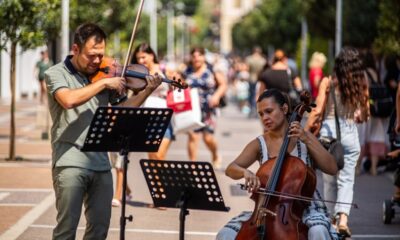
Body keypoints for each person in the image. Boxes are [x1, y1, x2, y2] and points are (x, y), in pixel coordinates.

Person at [45, 23, 162, 239]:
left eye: (101, 55)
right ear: (76, 49)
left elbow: (123, 110)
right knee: (66, 230)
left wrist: (147, 91)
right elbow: (68, 100)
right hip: (69, 160)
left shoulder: (105, 75)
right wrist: (104, 84)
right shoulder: (55, 73)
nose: (98, 61)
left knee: (99, 229)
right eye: (92, 55)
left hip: (100, 162)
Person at [216, 89, 339, 240]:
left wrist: (306, 138)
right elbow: (231, 168)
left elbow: (332, 168)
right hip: (266, 208)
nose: (265, 118)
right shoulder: (259, 143)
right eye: (261, 114)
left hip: (307, 208)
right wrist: (245, 172)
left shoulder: (305, 138)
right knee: (225, 235)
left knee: (318, 231)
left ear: (284, 109)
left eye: (269, 111)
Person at [306, 47, 369, 238]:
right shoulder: (361, 82)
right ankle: (343, 219)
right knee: (347, 180)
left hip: (329, 134)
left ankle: (330, 221)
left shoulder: (328, 82)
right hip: (350, 133)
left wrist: (305, 130)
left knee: (329, 180)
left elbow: (317, 111)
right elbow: (365, 114)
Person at [183, 47, 227, 169]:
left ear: (203, 57)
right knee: (193, 136)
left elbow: (223, 84)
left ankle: (215, 153)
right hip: (192, 109)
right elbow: (180, 85)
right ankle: (192, 165)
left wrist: (216, 96)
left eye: (199, 55)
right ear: (191, 58)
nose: (196, 58)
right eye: (194, 56)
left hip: (209, 109)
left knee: (208, 138)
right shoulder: (187, 71)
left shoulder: (211, 69)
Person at [132, 43, 175, 160]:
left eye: (143, 57)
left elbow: (178, 85)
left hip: (164, 117)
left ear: (151, 55)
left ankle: (167, 178)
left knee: (159, 156)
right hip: (146, 118)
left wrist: (175, 81)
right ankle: (157, 179)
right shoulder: (137, 73)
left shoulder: (164, 69)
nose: (141, 61)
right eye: (138, 58)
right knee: (152, 157)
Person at [357, 51, 390, 176]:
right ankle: (374, 168)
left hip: (368, 110)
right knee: (376, 138)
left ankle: (358, 167)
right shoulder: (376, 73)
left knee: (362, 138)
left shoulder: (363, 73)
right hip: (378, 112)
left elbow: (363, 92)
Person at [245, 46, 267, 117]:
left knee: (252, 94)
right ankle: (259, 108)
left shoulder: (249, 59)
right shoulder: (263, 60)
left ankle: (252, 109)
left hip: (252, 78)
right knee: (259, 94)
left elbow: (247, 69)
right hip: (260, 79)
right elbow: (264, 70)